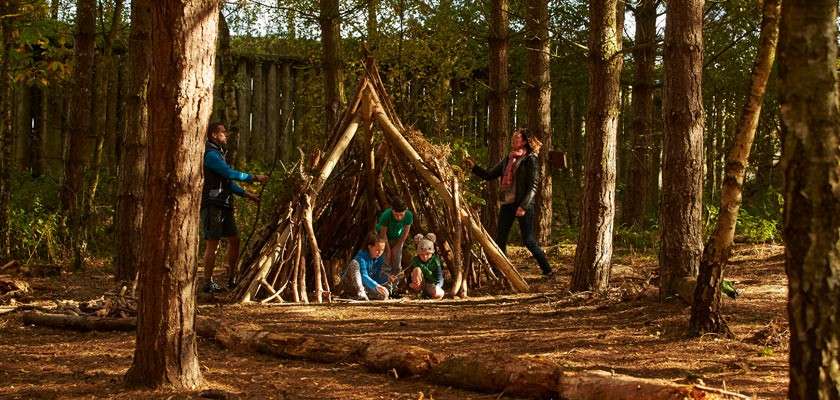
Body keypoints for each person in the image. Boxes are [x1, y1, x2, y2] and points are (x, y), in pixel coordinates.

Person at [465, 128, 553, 276]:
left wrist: (523, 206)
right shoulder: (508, 158)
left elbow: (533, 186)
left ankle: (548, 270)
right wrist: (474, 167)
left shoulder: (530, 159)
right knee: (501, 238)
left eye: (516, 139)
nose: (513, 141)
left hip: (523, 205)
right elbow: (489, 175)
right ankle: (501, 271)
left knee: (528, 240)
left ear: (524, 142)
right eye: (512, 138)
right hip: (507, 203)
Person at [201, 122, 269, 293]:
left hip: (224, 204)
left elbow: (228, 183)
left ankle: (231, 278)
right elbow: (229, 174)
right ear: (214, 135)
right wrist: (254, 177)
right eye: (223, 132)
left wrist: (248, 195)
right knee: (213, 244)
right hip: (213, 205)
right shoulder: (210, 155)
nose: (226, 135)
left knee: (235, 240)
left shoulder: (219, 154)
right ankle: (207, 283)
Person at [339, 233, 398, 300]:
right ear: (369, 247)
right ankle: (360, 293)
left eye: (382, 250)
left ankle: (359, 295)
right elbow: (364, 276)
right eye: (377, 250)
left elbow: (375, 277)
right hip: (349, 284)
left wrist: (387, 278)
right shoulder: (361, 256)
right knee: (354, 263)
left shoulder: (379, 259)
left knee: (383, 295)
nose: (379, 253)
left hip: (365, 287)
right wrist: (376, 286)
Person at [375, 199, 413, 273]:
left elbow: (405, 232)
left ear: (406, 211)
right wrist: (388, 250)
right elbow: (383, 234)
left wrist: (398, 246)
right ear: (392, 210)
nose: (399, 218)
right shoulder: (386, 215)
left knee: (397, 258)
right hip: (384, 237)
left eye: (401, 215)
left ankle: (396, 280)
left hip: (397, 237)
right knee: (386, 259)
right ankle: (385, 280)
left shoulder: (409, 215)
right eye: (396, 215)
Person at [408, 233, 445, 299]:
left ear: (432, 252)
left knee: (438, 293)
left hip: (431, 285)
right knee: (417, 269)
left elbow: (440, 278)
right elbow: (409, 276)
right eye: (422, 254)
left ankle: (428, 294)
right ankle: (418, 292)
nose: (425, 256)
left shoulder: (436, 261)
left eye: (427, 254)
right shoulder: (415, 260)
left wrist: (437, 286)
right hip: (419, 284)